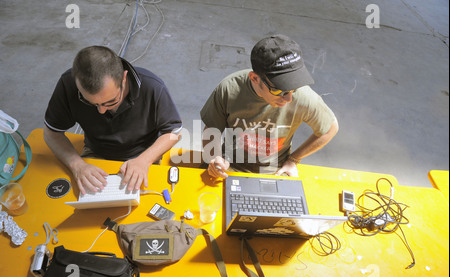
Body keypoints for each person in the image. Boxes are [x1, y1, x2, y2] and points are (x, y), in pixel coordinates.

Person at [44, 46, 182, 194]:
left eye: (110, 102)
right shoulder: (68, 84)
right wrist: (77, 165)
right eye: (90, 102)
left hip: (143, 154)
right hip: (96, 153)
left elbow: (174, 132)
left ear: (124, 78)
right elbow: (52, 133)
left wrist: (145, 160)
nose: (101, 111)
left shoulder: (152, 87)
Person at [201, 34, 338, 178]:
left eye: (293, 88)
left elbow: (330, 128)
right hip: (229, 165)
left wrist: (294, 160)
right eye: (279, 90)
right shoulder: (230, 89)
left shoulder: (304, 96)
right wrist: (214, 158)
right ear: (254, 78)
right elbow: (211, 129)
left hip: (275, 171)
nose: (289, 98)